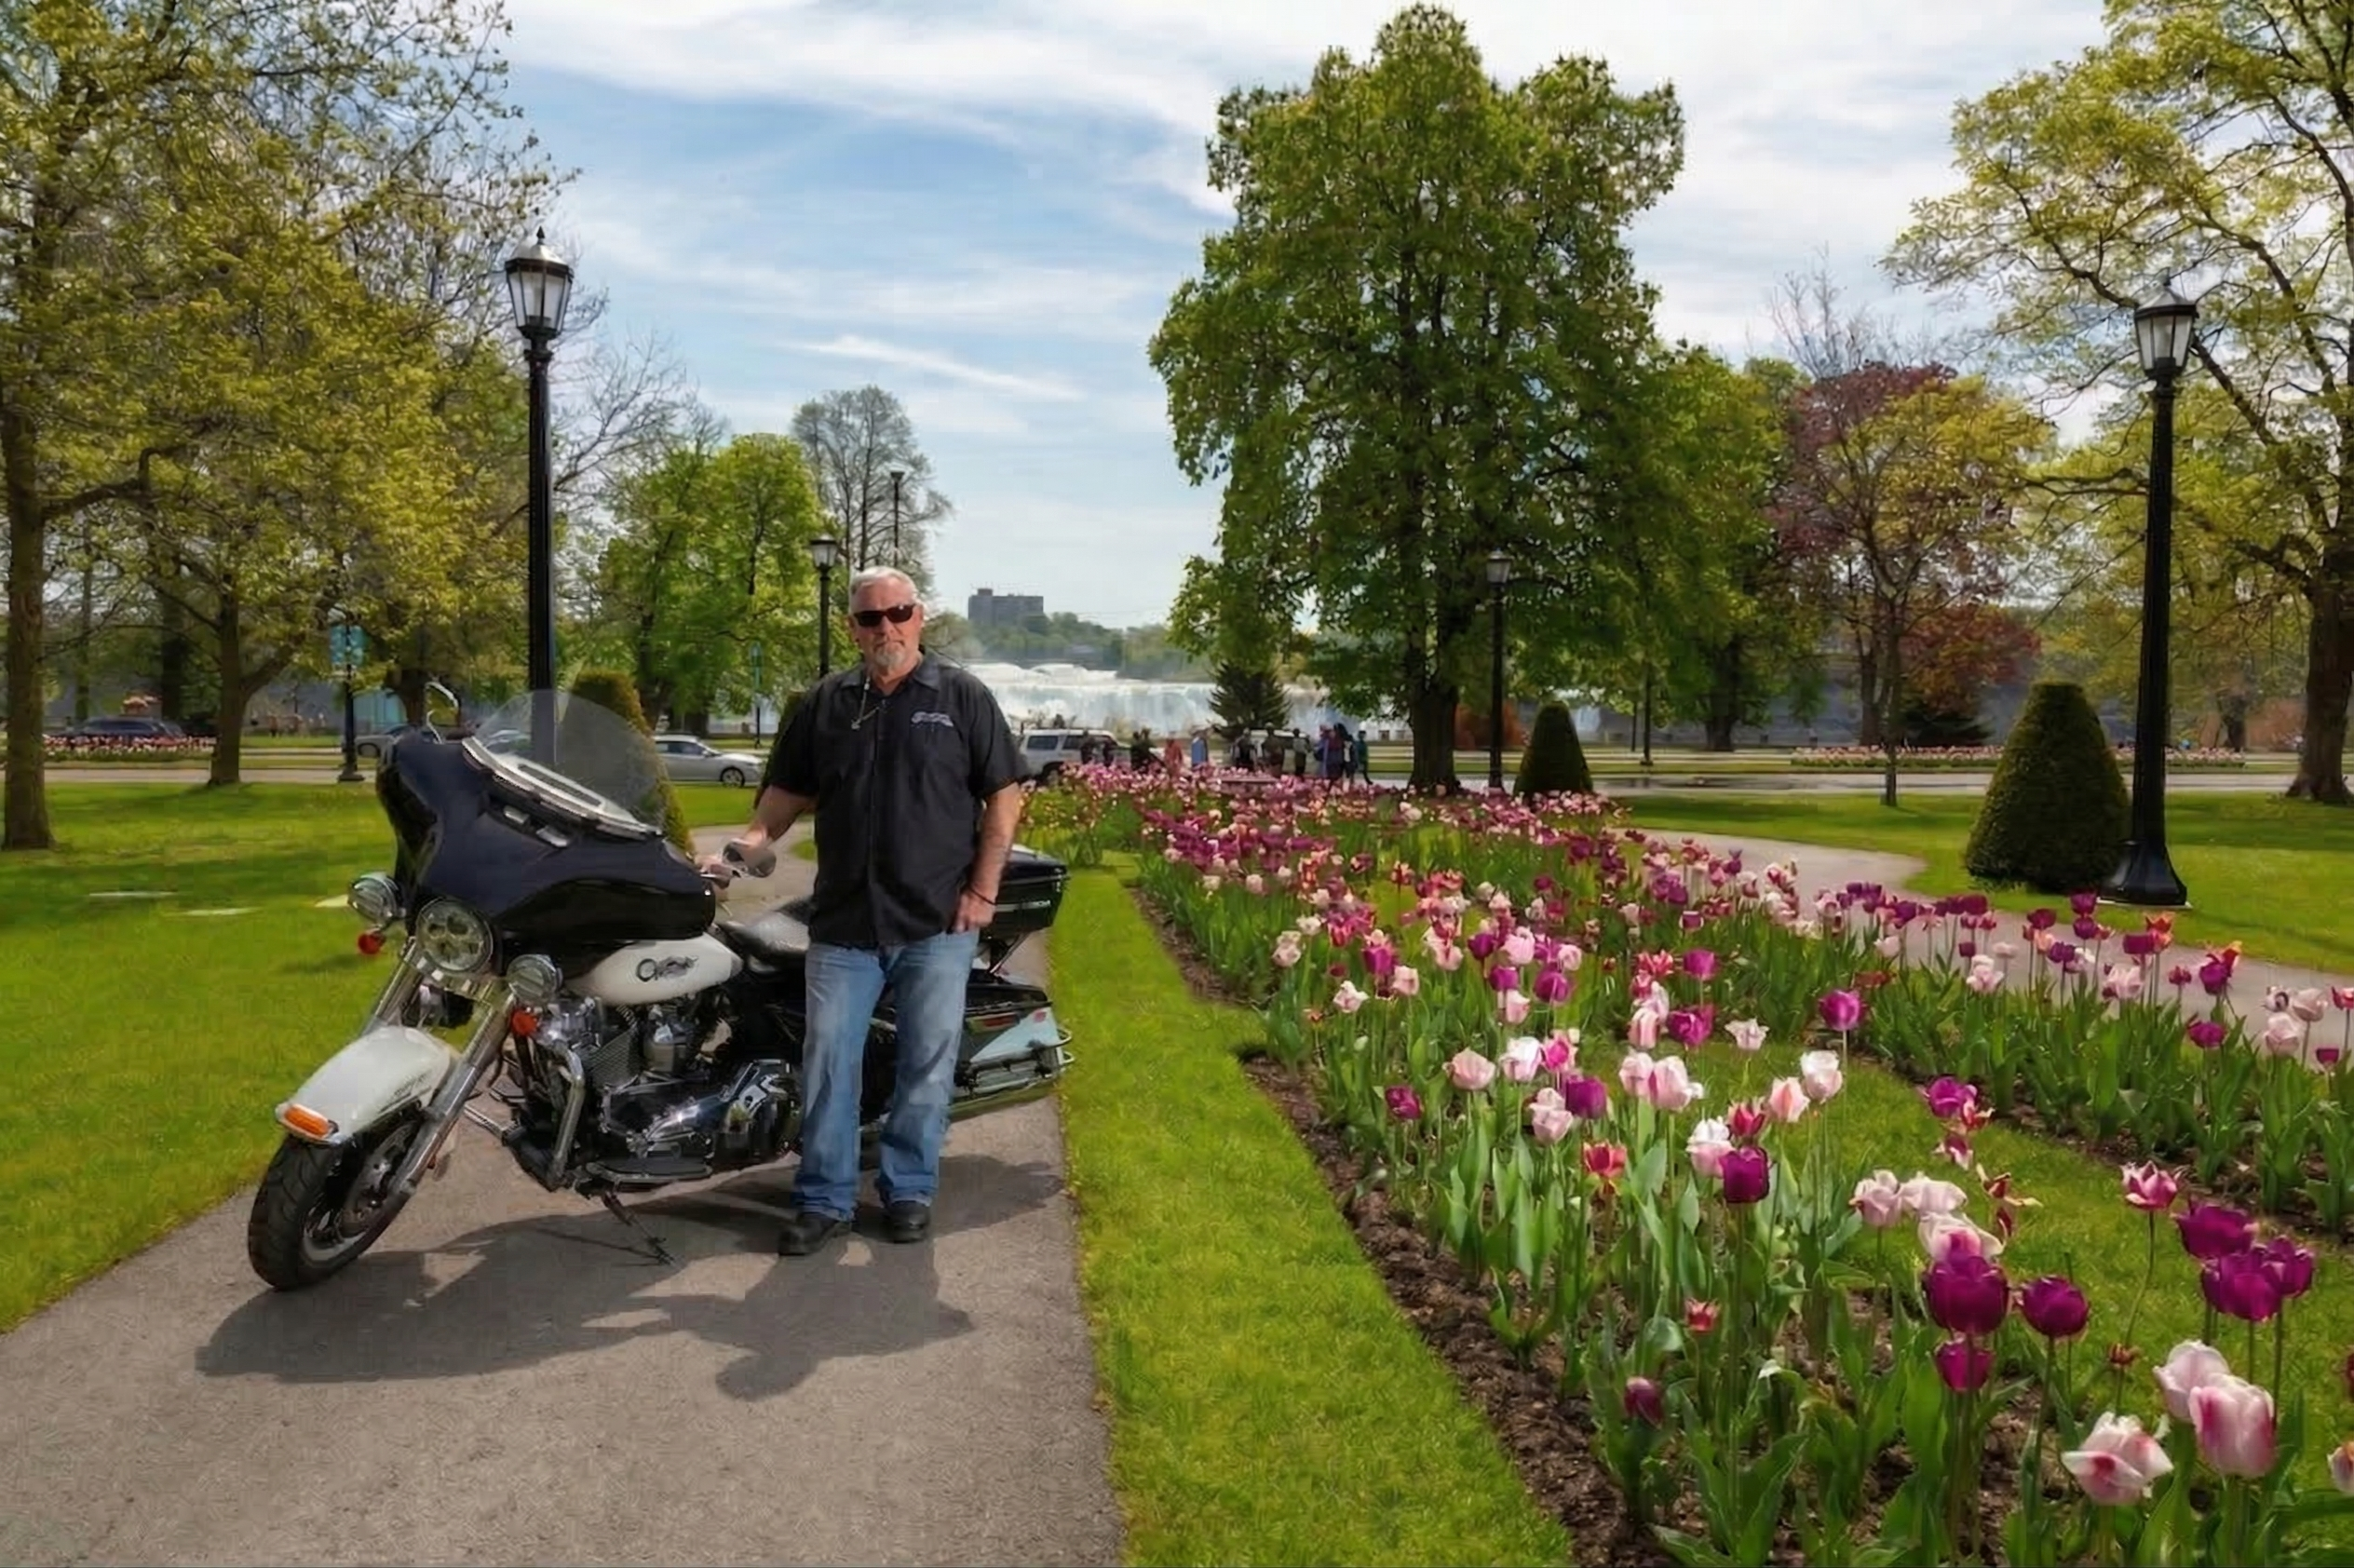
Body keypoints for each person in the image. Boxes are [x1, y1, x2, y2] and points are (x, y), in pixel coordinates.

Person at [701, 566, 1026, 1256]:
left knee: (925, 1064)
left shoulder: (961, 696)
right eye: (871, 618)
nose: (887, 628)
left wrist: (983, 891)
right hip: (845, 923)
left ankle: (908, 1191)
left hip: (935, 922)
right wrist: (747, 844)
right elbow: (785, 796)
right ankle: (824, 1199)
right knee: (827, 1063)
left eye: (898, 613)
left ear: (919, 617)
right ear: (852, 629)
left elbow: (1003, 794)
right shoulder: (826, 703)